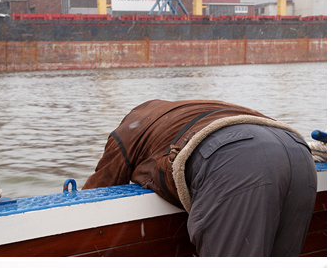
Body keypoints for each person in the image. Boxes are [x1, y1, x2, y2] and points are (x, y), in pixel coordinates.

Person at [84, 99, 315, 256]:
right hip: (297, 150)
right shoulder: (186, 110)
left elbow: (98, 190)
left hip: (235, 160)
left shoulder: (128, 130)